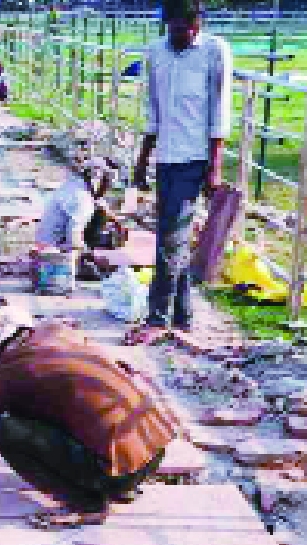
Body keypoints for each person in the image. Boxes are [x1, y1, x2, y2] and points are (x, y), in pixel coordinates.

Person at [0, 298, 180, 526]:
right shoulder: (59, 331)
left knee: (6, 429)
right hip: (154, 450)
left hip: (118, 472)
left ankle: (87, 504)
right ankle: (123, 483)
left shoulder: (7, 376)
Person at [131, 0, 231, 341]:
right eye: (172, 28)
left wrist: (214, 167)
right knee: (173, 237)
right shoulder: (156, 52)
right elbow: (153, 110)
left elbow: (219, 111)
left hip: (195, 158)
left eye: (185, 29)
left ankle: (157, 318)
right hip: (166, 157)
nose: (178, 35)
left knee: (169, 240)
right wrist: (142, 160)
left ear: (197, 24)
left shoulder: (214, 51)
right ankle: (183, 315)